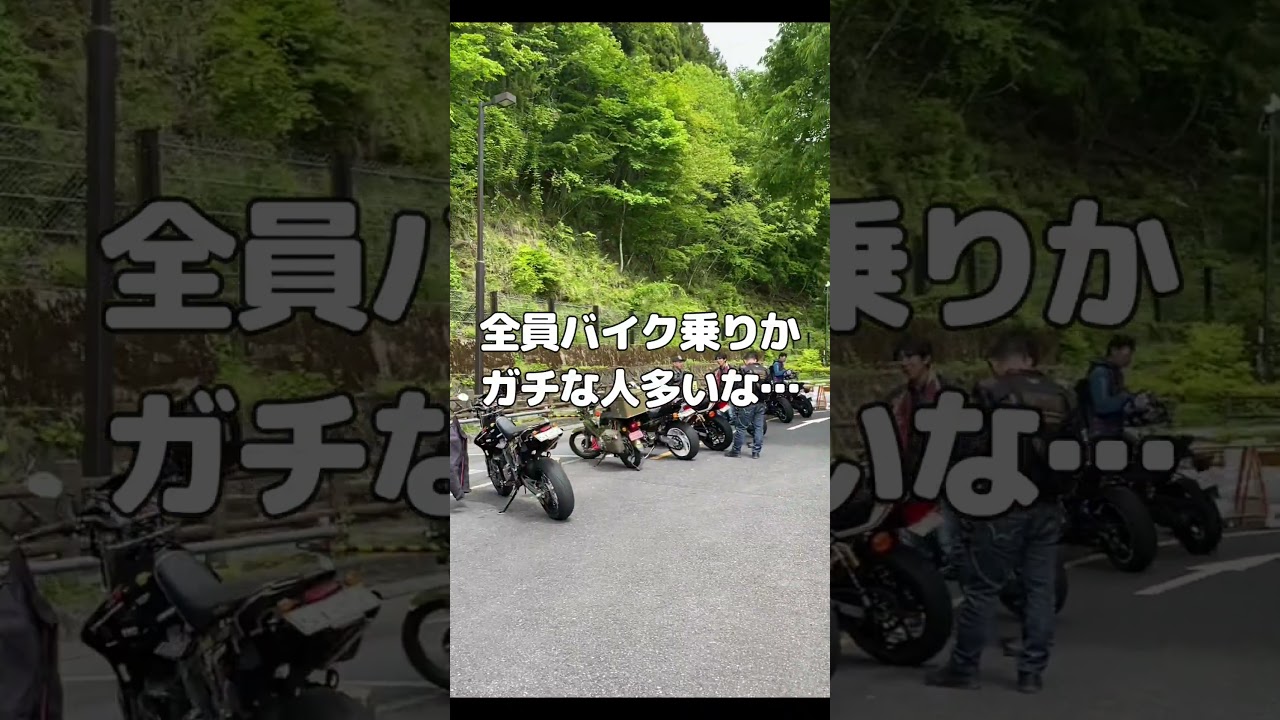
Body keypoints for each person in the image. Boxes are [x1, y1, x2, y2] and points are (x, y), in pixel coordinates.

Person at [925, 330, 1077, 694]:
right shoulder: (1063, 396)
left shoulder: (991, 392)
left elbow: (968, 448)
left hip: (1001, 506)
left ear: (997, 362)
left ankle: (964, 668)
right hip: (1046, 505)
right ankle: (1031, 672)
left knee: (982, 589)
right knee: (1039, 589)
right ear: (1030, 359)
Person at [885, 338, 962, 576]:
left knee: (949, 544)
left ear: (926, 359)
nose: (904, 363)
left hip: (945, 477)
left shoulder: (947, 393)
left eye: (910, 357)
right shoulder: (900, 397)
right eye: (901, 358)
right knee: (915, 540)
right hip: (912, 478)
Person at [1079, 335, 1136, 438]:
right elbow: (1102, 406)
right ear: (1114, 350)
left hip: (1114, 428)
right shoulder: (1100, 373)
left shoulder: (1116, 373)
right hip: (1098, 432)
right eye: (1126, 355)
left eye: (1130, 355)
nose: (1128, 359)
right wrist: (1125, 397)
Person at [726, 351, 769, 459]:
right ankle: (756, 452)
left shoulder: (744, 370)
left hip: (747, 403)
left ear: (746, 360)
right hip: (760, 402)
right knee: (758, 427)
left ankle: (736, 451)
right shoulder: (765, 370)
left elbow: (737, 386)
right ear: (756, 359)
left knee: (741, 427)